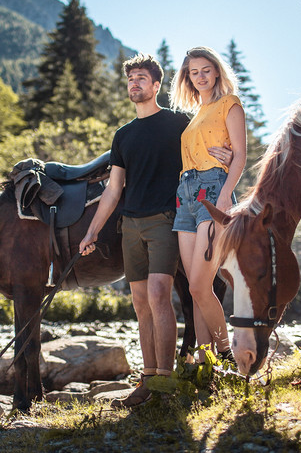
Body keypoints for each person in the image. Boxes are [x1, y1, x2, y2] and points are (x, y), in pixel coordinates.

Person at [79, 53, 231, 408]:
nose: (135, 84)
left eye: (142, 78)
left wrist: (226, 154)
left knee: (160, 293)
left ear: (156, 85)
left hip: (167, 217)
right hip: (130, 223)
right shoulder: (123, 136)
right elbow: (114, 189)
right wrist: (92, 232)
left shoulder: (178, 122)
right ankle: (148, 379)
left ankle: (166, 380)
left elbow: (206, 142)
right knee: (139, 301)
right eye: (130, 79)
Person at [169, 46, 247, 364]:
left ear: (216, 71)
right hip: (184, 196)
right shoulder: (196, 114)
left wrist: (226, 194)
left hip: (213, 191)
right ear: (188, 78)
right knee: (194, 289)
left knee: (202, 285)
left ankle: (226, 355)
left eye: (205, 70)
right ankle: (205, 365)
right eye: (193, 72)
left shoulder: (230, 104)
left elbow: (239, 154)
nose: (200, 76)